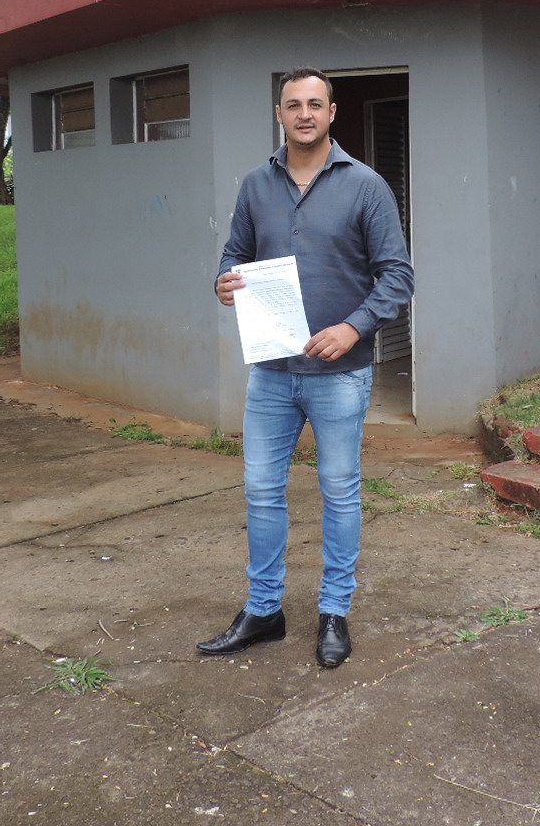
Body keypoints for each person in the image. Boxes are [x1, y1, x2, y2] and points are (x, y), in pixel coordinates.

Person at [199, 67, 414, 669]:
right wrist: (226, 279)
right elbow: (235, 252)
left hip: (341, 374)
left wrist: (353, 327)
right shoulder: (254, 185)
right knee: (262, 490)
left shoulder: (367, 186)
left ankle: (334, 613)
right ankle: (265, 611)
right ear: (279, 113)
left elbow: (398, 275)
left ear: (332, 112)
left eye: (314, 104)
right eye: (293, 105)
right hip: (271, 370)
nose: (304, 114)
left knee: (339, 493)